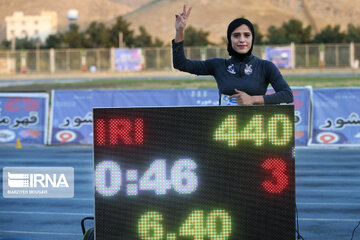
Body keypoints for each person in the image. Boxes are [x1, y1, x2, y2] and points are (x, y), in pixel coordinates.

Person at [172, 5, 293, 105]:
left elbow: (287, 95)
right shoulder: (218, 65)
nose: (242, 40)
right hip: (225, 132)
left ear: (252, 38)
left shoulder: (266, 66)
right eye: (236, 35)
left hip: (256, 131)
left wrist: (252, 99)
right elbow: (181, 64)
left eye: (247, 35)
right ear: (229, 39)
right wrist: (180, 31)